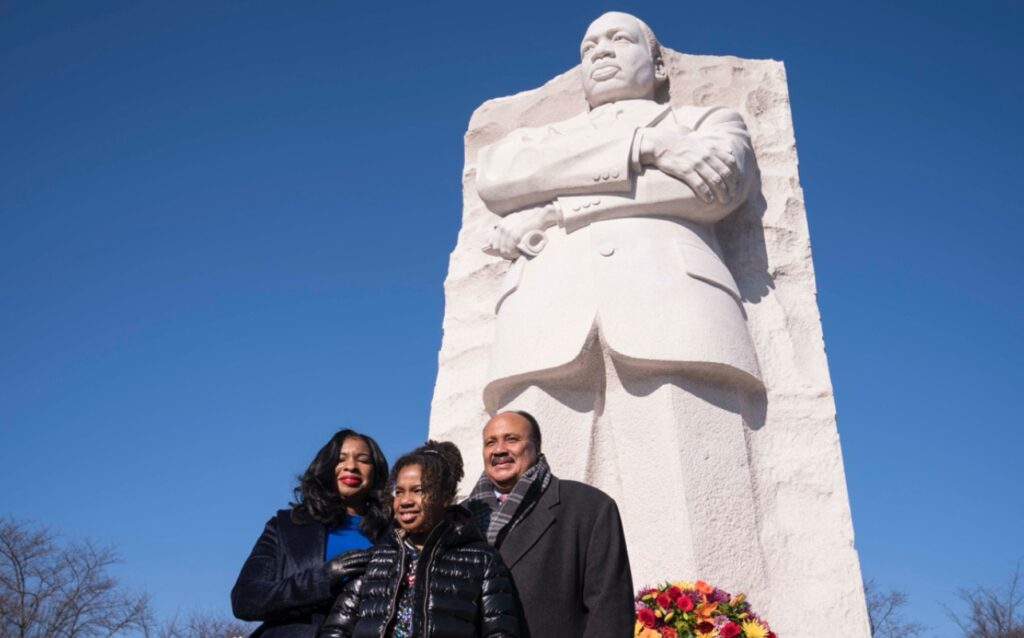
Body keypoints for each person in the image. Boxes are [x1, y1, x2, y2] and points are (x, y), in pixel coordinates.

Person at [473, 11, 769, 589]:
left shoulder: (704, 119)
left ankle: (693, 621)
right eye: (589, 46)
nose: (601, 52)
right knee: (527, 532)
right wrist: (646, 145)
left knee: (691, 510)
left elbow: (714, 188)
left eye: (619, 39)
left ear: (657, 65)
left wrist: (556, 210)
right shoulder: (541, 139)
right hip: (542, 321)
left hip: (674, 312)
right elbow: (502, 177)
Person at [318, 441, 521, 638]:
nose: (405, 501)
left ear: (446, 496)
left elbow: (501, 632)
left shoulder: (483, 561)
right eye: (399, 492)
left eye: (418, 491)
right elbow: (336, 630)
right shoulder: (374, 561)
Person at [464, 411, 634, 638]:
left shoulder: (588, 507)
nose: (499, 450)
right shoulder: (458, 519)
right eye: (490, 442)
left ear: (536, 447)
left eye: (512, 439)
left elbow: (610, 611)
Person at [232, 429, 391, 637]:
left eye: (363, 460)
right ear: (326, 467)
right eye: (340, 459)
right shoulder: (286, 526)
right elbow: (245, 599)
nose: (351, 466)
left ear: (376, 473)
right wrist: (322, 579)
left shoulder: (393, 535)